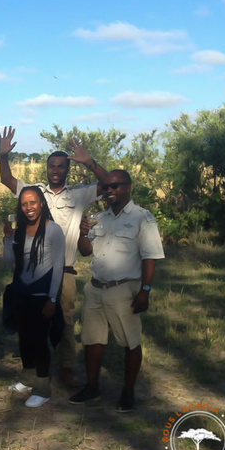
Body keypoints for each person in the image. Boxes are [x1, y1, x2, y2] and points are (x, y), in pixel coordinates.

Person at [0, 126, 108, 388]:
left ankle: (67, 368)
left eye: (60, 166)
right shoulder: (35, 193)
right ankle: (35, 370)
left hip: (65, 270)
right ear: (46, 168)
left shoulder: (79, 195)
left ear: (67, 169)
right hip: (32, 273)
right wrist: (3, 156)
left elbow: (108, 184)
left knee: (66, 322)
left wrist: (90, 162)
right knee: (32, 321)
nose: (56, 170)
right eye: (52, 166)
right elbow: (7, 180)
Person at [69, 170, 164, 412]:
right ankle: (92, 387)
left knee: (130, 342)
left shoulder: (143, 218)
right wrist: (82, 233)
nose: (110, 191)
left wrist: (145, 290)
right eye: (107, 187)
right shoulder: (100, 218)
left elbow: (150, 257)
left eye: (116, 186)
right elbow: (85, 251)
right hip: (95, 287)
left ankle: (128, 391)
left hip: (124, 289)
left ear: (128, 187)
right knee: (91, 339)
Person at [3, 186, 65, 407]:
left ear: (41, 204)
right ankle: (28, 378)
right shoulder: (18, 230)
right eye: (24, 204)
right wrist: (8, 239)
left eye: (33, 202)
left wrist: (52, 299)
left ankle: (42, 388)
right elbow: (8, 261)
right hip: (21, 292)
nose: (28, 208)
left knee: (39, 341)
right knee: (24, 339)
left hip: (42, 294)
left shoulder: (53, 230)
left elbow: (58, 267)